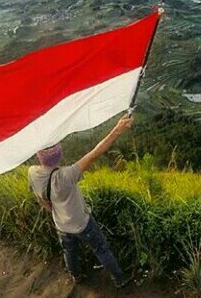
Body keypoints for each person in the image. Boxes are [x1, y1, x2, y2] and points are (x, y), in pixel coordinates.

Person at [28, 114, 133, 288]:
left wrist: (51, 209)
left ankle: (76, 276)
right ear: (59, 155)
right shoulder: (67, 175)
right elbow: (95, 153)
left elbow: (41, 199)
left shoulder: (32, 172)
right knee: (101, 248)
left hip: (61, 225)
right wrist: (117, 129)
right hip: (82, 223)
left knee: (69, 251)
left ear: (40, 157)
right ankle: (119, 278)